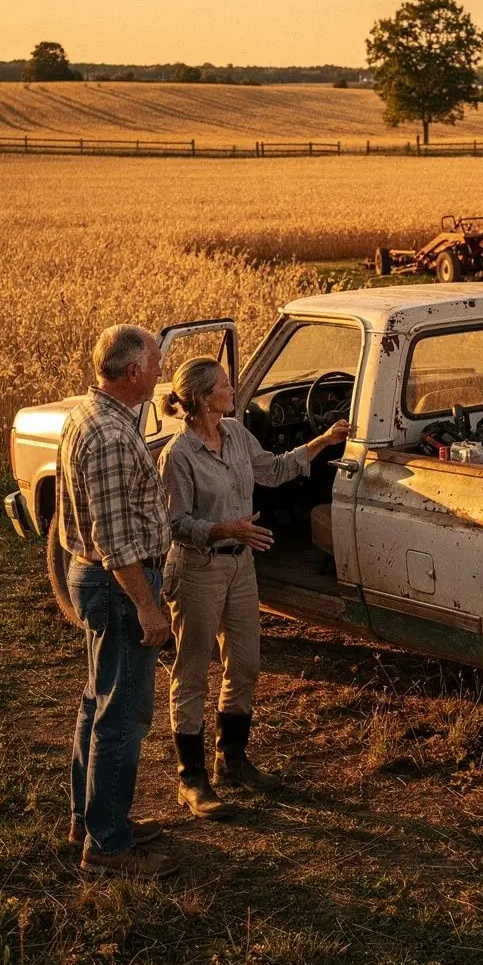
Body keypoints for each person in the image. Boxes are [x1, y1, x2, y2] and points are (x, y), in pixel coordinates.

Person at [158, 356, 350, 819]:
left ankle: (232, 760)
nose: (233, 389)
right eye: (225, 385)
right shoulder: (178, 455)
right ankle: (192, 778)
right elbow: (176, 523)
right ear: (203, 398)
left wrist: (324, 441)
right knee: (192, 672)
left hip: (240, 568)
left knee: (244, 665)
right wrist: (228, 530)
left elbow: (275, 469)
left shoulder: (238, 435)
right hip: (197, 569)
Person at [58, 324, 177, 879]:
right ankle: (107, 847)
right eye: (155, 364)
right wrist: (148, 608)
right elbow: (115, 540)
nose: (161, 372)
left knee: (98, 700)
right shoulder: (107, 435)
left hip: (100, 581)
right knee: (123, 716)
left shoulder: (89, 412)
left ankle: (91, 819)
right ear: (133, 373)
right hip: (120, 585)